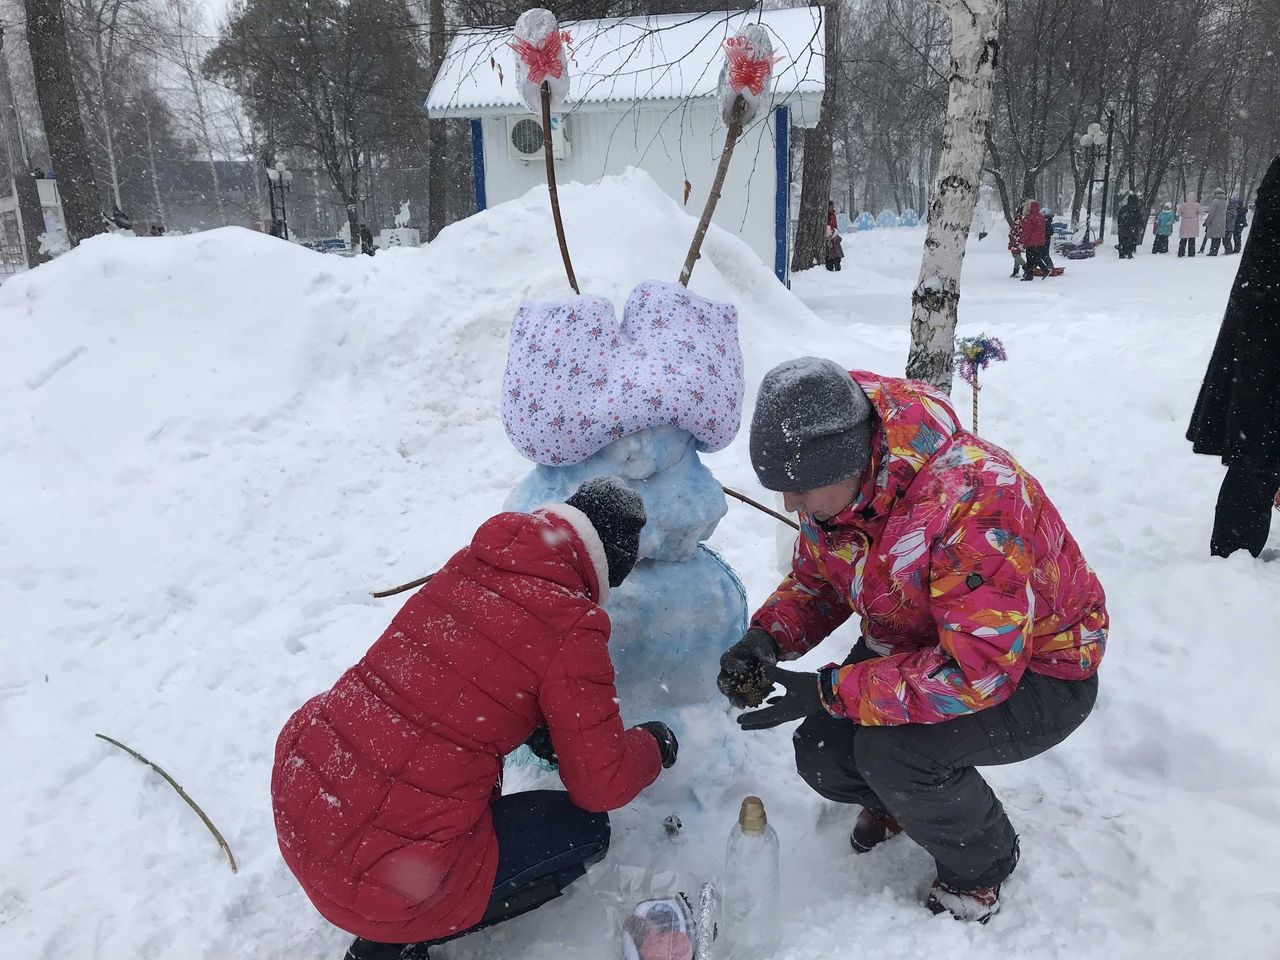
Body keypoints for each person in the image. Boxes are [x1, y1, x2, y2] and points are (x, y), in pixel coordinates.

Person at [718, 358, 1107, 923]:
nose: (790, 506)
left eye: (799, 490)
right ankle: (900, 803)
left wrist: (832, 691)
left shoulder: (974, 498)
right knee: (823, 754)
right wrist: (765, 639)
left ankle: (982, 866)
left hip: (1036, 669)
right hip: (917, 644)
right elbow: (818, 580)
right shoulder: (840, 488)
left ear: (851, 463)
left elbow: (978, 671)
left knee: (894, 752)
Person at [271, 477, 679, 960]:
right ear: (608, 568)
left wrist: (531, 720)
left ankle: (393, 902)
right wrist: (655, 743)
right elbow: (602, 784)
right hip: (385, 881)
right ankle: (395, 941)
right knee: (586, 830)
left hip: (309, 808)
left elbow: (460, 681)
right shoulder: (570, 622)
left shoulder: (474, 564)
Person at [1187, 156, 1280, 558]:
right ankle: (1233, 555)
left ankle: (1234, 550)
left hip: (1263, 324)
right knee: (1259, 451)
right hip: (1267, 329)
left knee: (1259, 450)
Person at [1019, 200, 1051, 280]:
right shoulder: (1040, 217)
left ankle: (1044, 270)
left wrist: (1022, 242)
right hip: (1039, 240)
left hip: (1032, 241)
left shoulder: (1029, 218)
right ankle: (1029, 274)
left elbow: (1026, 231)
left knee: (1033, 257)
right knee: (1031, 257)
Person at [1116, 191, 1144, 259]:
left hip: (1123, 229)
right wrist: (1139, 227)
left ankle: (1122, 253)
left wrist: (1120, 226)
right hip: (1133, 229)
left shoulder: (1124, 208)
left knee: (1123, 241)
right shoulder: (1137, 209)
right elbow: (1140, 220)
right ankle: (1129, 253)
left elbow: (1119, 218)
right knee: (1131, 242)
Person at [1177, 192, 1202, 257]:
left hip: (1185, 223)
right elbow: (1200, 212)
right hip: (1193, 223)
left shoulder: (1183, 205)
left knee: (1183, 239)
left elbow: (1179, 213)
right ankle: (1191, 253)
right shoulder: (1197, 205)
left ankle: (1181, 253)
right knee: (1192, 239)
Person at [1205, 187, 1228, 255]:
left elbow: (1211, 212)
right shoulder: (1225, 201)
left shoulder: (1215, 201)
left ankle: (1212, 251)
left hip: (1214, 221)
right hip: (1222, 221)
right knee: (1218, 237)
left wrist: (1207, 221)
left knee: (1214, 237)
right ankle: (1215, 250)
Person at [1007, 207, 1026, 277]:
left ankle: (1026, 267)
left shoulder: (1019, 220)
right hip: (1018, 239)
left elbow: (1016, 230)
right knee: (1017, 254)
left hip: (1016, 239)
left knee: (1015, 254)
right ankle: (1016, 271)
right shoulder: (1023, 219)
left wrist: (1012, 236)